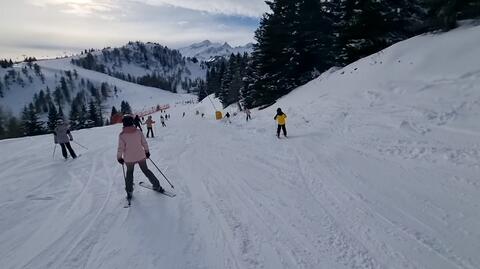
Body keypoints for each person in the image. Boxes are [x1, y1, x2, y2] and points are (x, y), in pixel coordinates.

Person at [117, 115, 164, 200]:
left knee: (129, 173)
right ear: (132, 122)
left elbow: (121, 148)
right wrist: (147, 152)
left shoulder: (122, 135)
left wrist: (119, 157)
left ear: (124, 123)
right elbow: (144, 142)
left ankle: (129, 191)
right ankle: (157, 185)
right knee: (146, 170)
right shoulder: (138, 132)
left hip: (129, 158)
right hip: (140, 155)